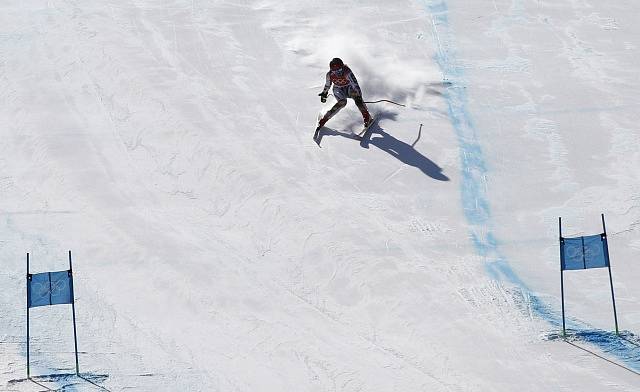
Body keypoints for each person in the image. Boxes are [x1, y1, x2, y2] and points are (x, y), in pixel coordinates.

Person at [316, 58, 372, 131]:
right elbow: (327, 85)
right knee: (342, 103)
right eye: (334, 71)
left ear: (342, 67)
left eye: (339, 70)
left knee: (356, 96)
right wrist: (324, 93)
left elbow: (354, 84)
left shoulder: (347, 72)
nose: (337, 73)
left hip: (349, 87)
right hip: (338, 89)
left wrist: (359, 97)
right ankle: (325, 119)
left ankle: (366, 116)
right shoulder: (329, 74)